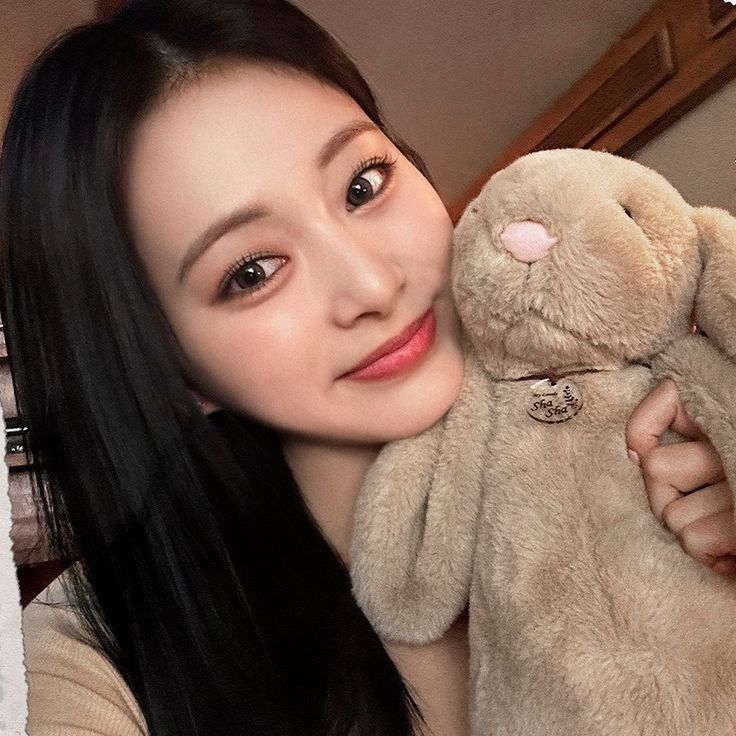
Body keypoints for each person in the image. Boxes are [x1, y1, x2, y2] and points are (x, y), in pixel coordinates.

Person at [2, 1, 734, 734]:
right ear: (165, 366)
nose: (374, 286)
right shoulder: (88, 651)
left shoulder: (660, 421)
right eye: (252, 271)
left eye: (363, 185)